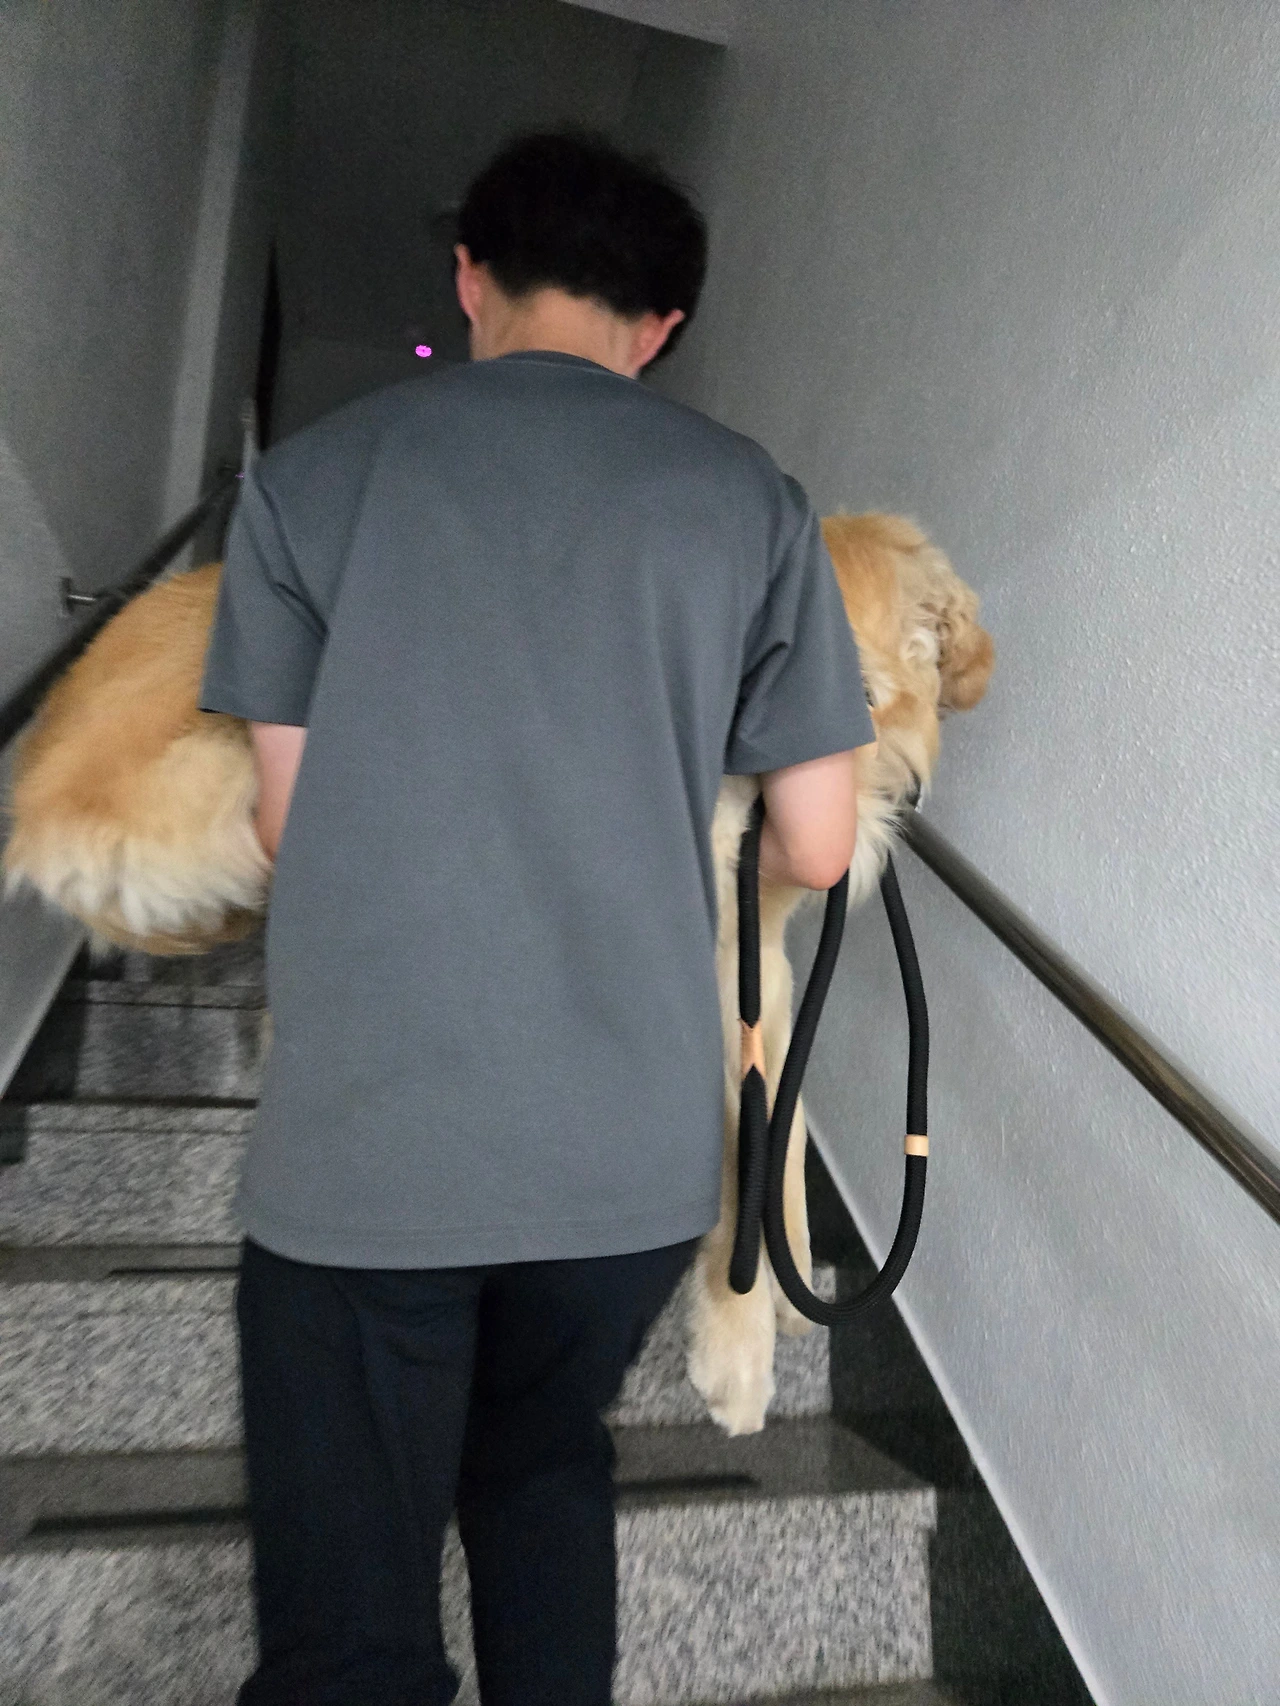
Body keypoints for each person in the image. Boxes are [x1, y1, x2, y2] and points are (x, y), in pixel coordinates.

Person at [199, 130, 875, 1706]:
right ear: (662, 326)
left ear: (469, 276)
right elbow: (821, 843)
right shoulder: (752, 504)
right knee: (541, 1466)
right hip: (624, 1165)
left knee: (348, 1637)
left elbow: (288, 822)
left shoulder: (309, 486)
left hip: (370, 1152)